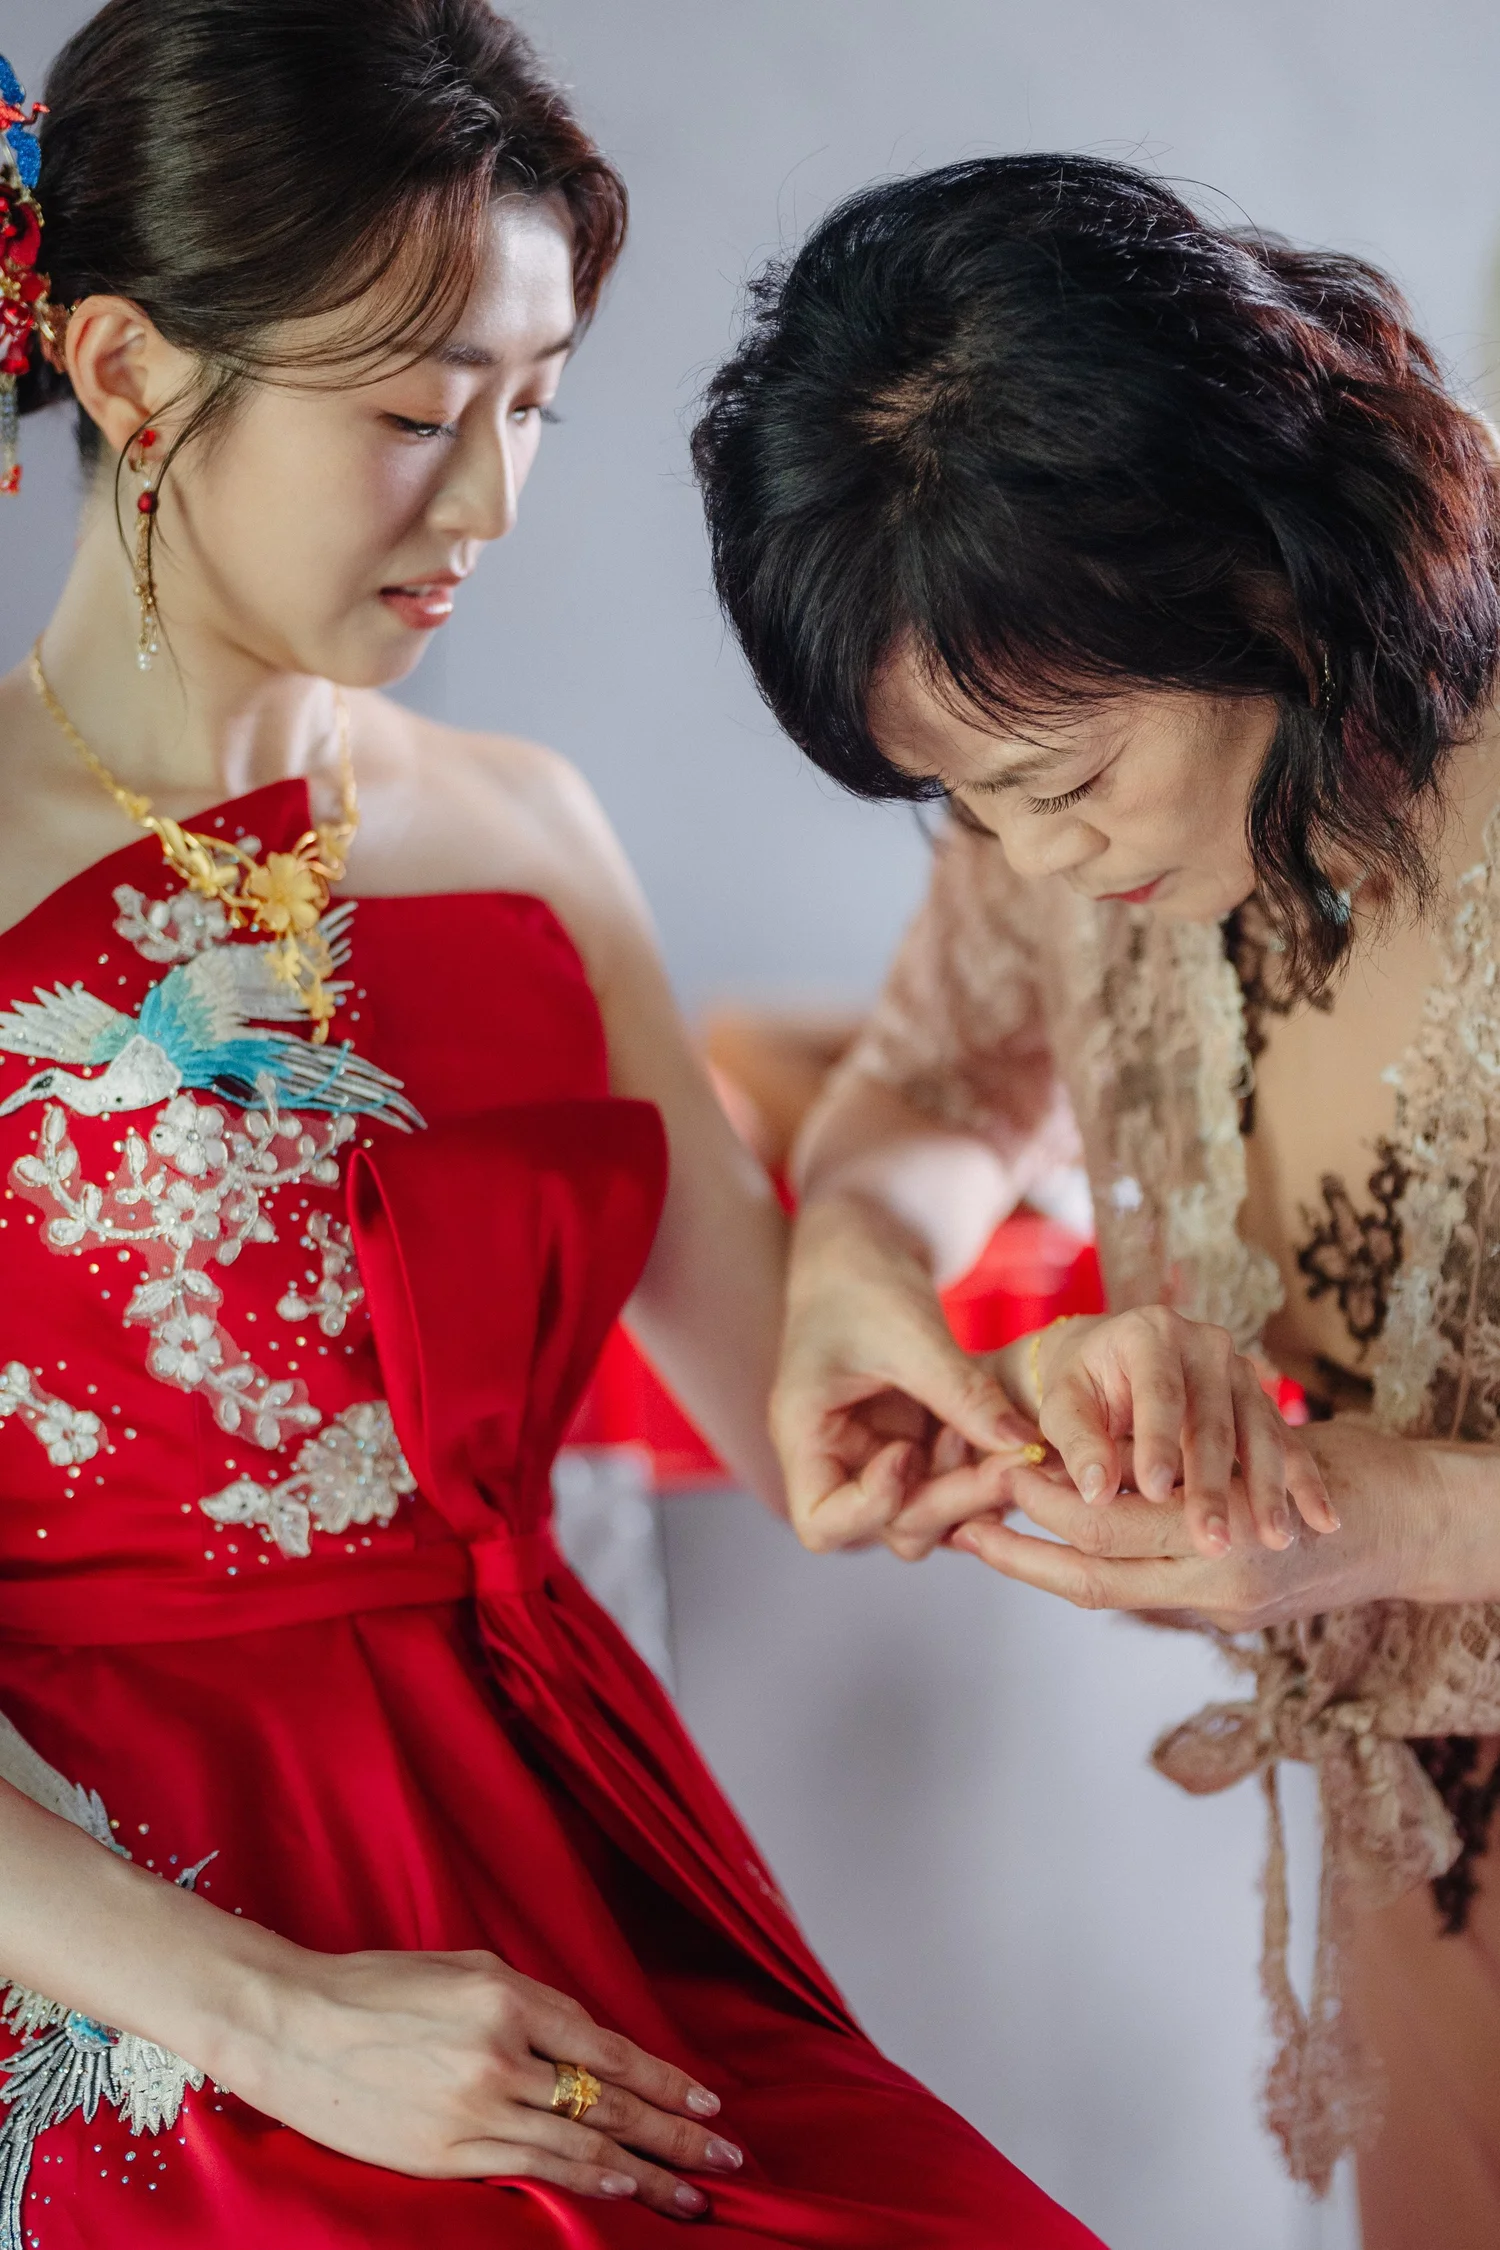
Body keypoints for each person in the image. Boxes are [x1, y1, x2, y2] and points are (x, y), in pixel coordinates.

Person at [0, 21, 1102, 2247]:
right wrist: (284, 2021)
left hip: (571, 1839)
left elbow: (803, 1401)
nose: (493, 506)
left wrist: (1035, 1355)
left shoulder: (524, 832)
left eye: (535, 409)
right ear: (129, 372)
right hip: (141, 1939)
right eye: (419, 416)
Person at [693, 153, 1500, 2248]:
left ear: (1259, 575)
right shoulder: (1064, 792)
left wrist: (1392, 1522)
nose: (1032, 861)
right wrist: (859, 1266)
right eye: (962, 805)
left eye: (1059, 782)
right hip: (1422, 1868)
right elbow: (940, 1077)